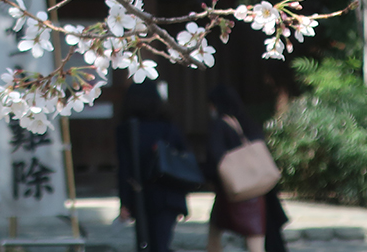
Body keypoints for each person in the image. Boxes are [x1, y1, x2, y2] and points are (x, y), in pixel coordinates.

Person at [204, 85, 288, 252]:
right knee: (255, 240)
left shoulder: (220, 125)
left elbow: (215, 157)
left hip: (232, 191)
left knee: (214, 236)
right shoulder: (247, 122)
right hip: (257, 192)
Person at [116, 81, 191, 252]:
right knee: (162, 244)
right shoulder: (169, 127)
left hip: (142, 195)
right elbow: (182, 161)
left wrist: (125, 201)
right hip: (169, 194)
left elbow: (125, 167)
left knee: (145, 244)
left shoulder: (127, 129)